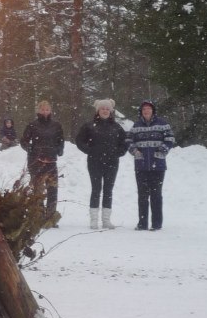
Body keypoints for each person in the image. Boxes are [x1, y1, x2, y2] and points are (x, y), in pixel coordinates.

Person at [75, 98, 128, 230]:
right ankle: (94, 220)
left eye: (107, 109)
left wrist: (119, 153)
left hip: (112, 163)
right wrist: (90, 151)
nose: (105, 111)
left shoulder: (116, 127)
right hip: (94, 162)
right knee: (96, 189)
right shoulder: (89, 125)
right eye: (102, 108)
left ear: (110, 111)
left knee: (108, 190)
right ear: (98, 110)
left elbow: (125, 142)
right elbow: (79, 141)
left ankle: (106, 220)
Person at [127, 100, 176, 231]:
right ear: (141, 112)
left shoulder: (163, 124)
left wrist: (163, 149)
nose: (146, 111)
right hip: (141, 165)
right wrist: (134, 151)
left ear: (153, 110)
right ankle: (142, 223)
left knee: (156, 195)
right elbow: (128, 140)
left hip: (158, 165)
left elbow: (170, 138)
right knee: (142, 196)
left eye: (148, 108)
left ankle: (156, 224)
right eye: (144, 109)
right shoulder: (136, 126)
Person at [20, 100, 64, 224]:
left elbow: (61, 140)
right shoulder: (32, 125)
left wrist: (60, 149)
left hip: (51, 160)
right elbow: (23, 141)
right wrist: (30, 149)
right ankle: (38, 216)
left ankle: (50, 217)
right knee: (38, 190)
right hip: (36, 161)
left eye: (47, 109)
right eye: (42, 109)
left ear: (50, 111)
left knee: (52, 189)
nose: (45, 112)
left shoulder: (56, 125)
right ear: (38, 111)